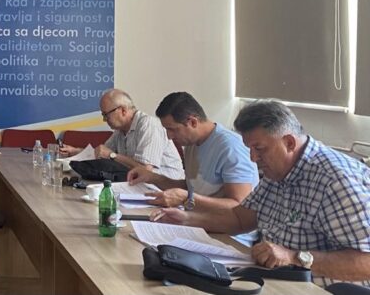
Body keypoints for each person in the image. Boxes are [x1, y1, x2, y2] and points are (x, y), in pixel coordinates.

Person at [152, 100, 370, 287]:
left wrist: (294, 257)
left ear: (289, 143)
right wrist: (187, 219)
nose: (253, 158)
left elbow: (366, 263)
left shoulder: (336, 180)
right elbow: (240, 219)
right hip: (279, 281)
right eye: (250, 149)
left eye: (259, 149)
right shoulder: (278, 172)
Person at [127, 91, 258, 211]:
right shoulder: (191, 143)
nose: (169, 136)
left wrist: (187, 199)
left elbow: (239, 205)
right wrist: (152, 177)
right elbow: (191, 188)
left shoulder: (230, 147)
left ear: (193, 122)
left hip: (224, 228)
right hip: (196, 219)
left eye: (172, 129)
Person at [60, 88, 184, 179]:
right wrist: (75, 151)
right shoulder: (120, 130)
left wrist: (112, 155)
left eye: (106, 114)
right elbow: (101, 154)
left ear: (123, 110)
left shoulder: (148, 125)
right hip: (139, 184)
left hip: (167, 189)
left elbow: (145, 170)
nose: (104, 120)